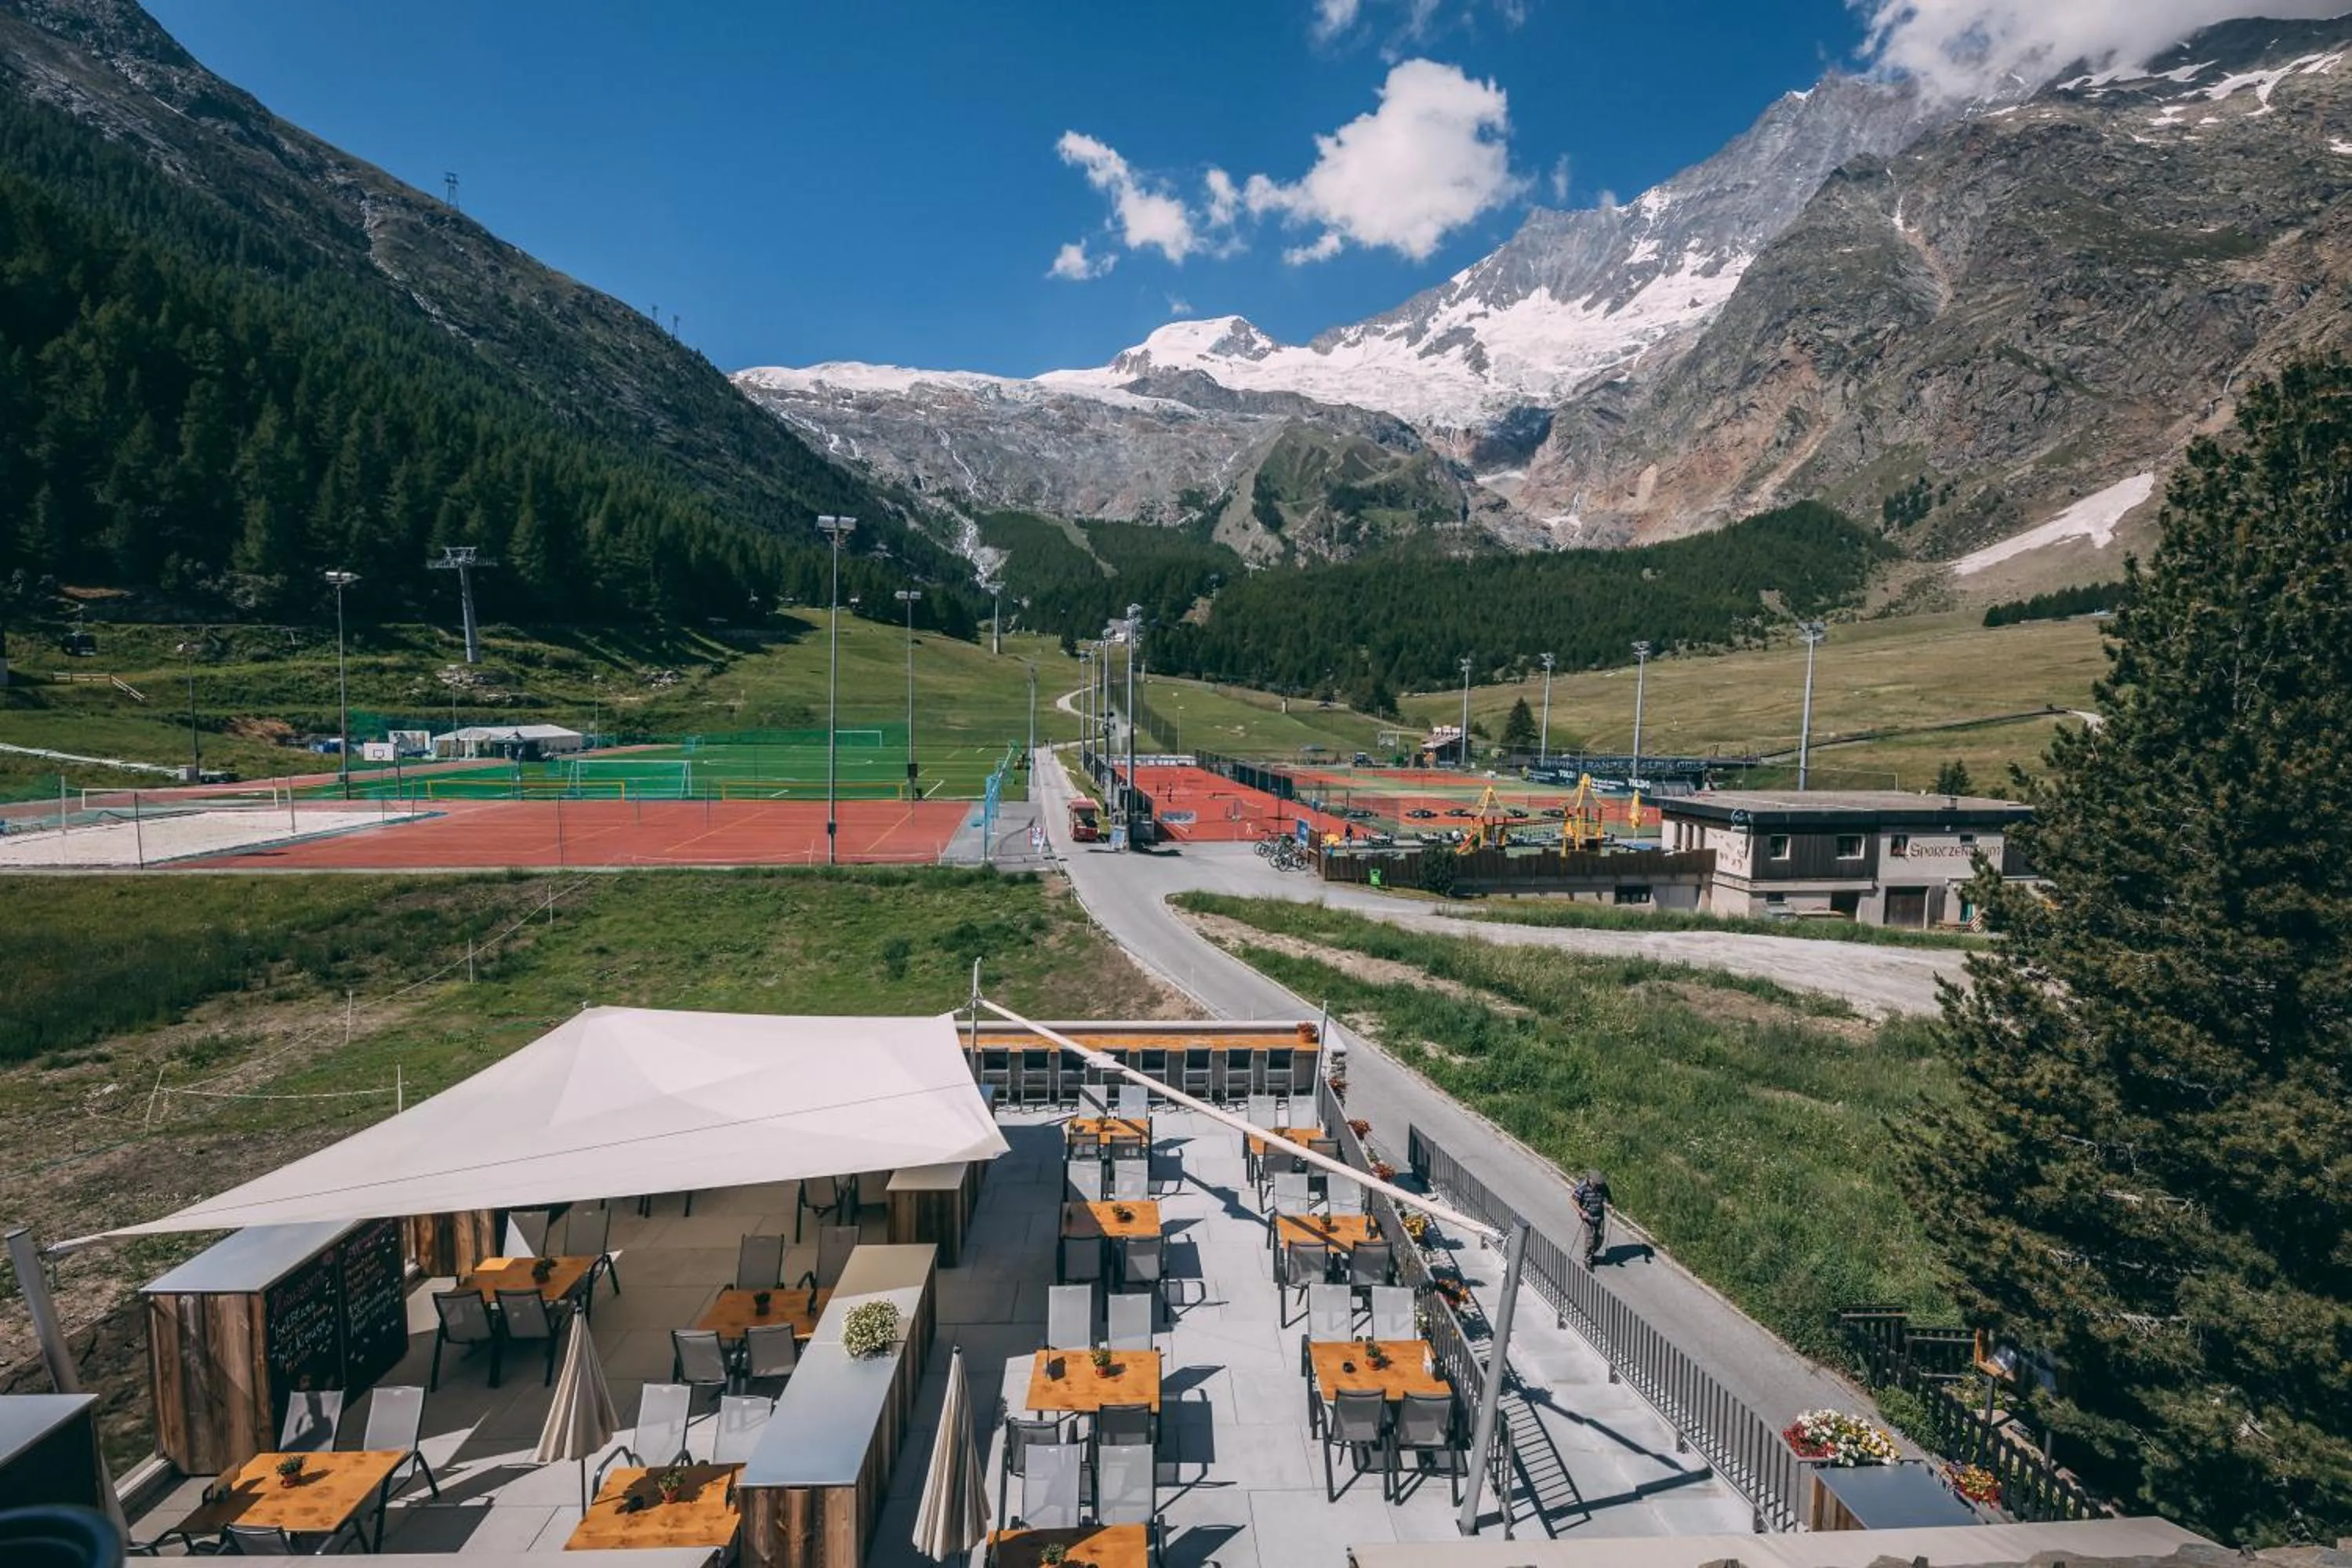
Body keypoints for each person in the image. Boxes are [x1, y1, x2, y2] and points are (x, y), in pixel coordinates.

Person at [1573, 1171, 1610, 1269]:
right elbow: (1573, 1200)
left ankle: (1592, 1253)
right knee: (1590, 1240)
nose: (1597, 1186)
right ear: (1590, 1180)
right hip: (1588, 1216)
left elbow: (1608, 1199)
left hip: (1599, 1215)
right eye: (1595, 1183)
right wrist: (1582, 1212)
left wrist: (1610, 1207)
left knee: (1600, 1237)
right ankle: (1588, 1260)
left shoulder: (1602, 1186)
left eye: (1598, 1183)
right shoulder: (1582, 1187)